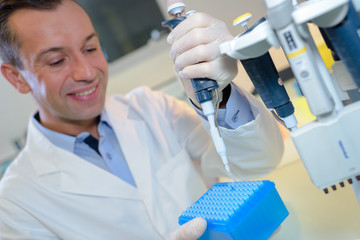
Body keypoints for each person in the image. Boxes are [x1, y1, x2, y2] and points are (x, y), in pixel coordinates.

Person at [0, 0, 284, 239]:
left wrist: (217, 94)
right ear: (16, 77)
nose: (87, 72)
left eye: (90, 49)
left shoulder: (150, 107)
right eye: (56, 61)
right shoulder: (14, 203)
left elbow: (258, 160)